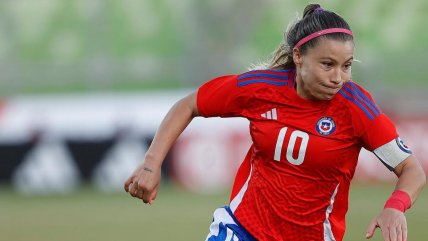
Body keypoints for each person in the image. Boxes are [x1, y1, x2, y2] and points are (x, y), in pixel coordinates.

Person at [124, 3, 426, 241]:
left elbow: (411, 170)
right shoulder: (262, 88)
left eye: (346, 66)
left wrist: (395, 207)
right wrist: (151, 164)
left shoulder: (356, 108)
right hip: (242, 228)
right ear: (298, 56)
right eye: (327, 65)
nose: (338, 78)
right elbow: (189, 104)